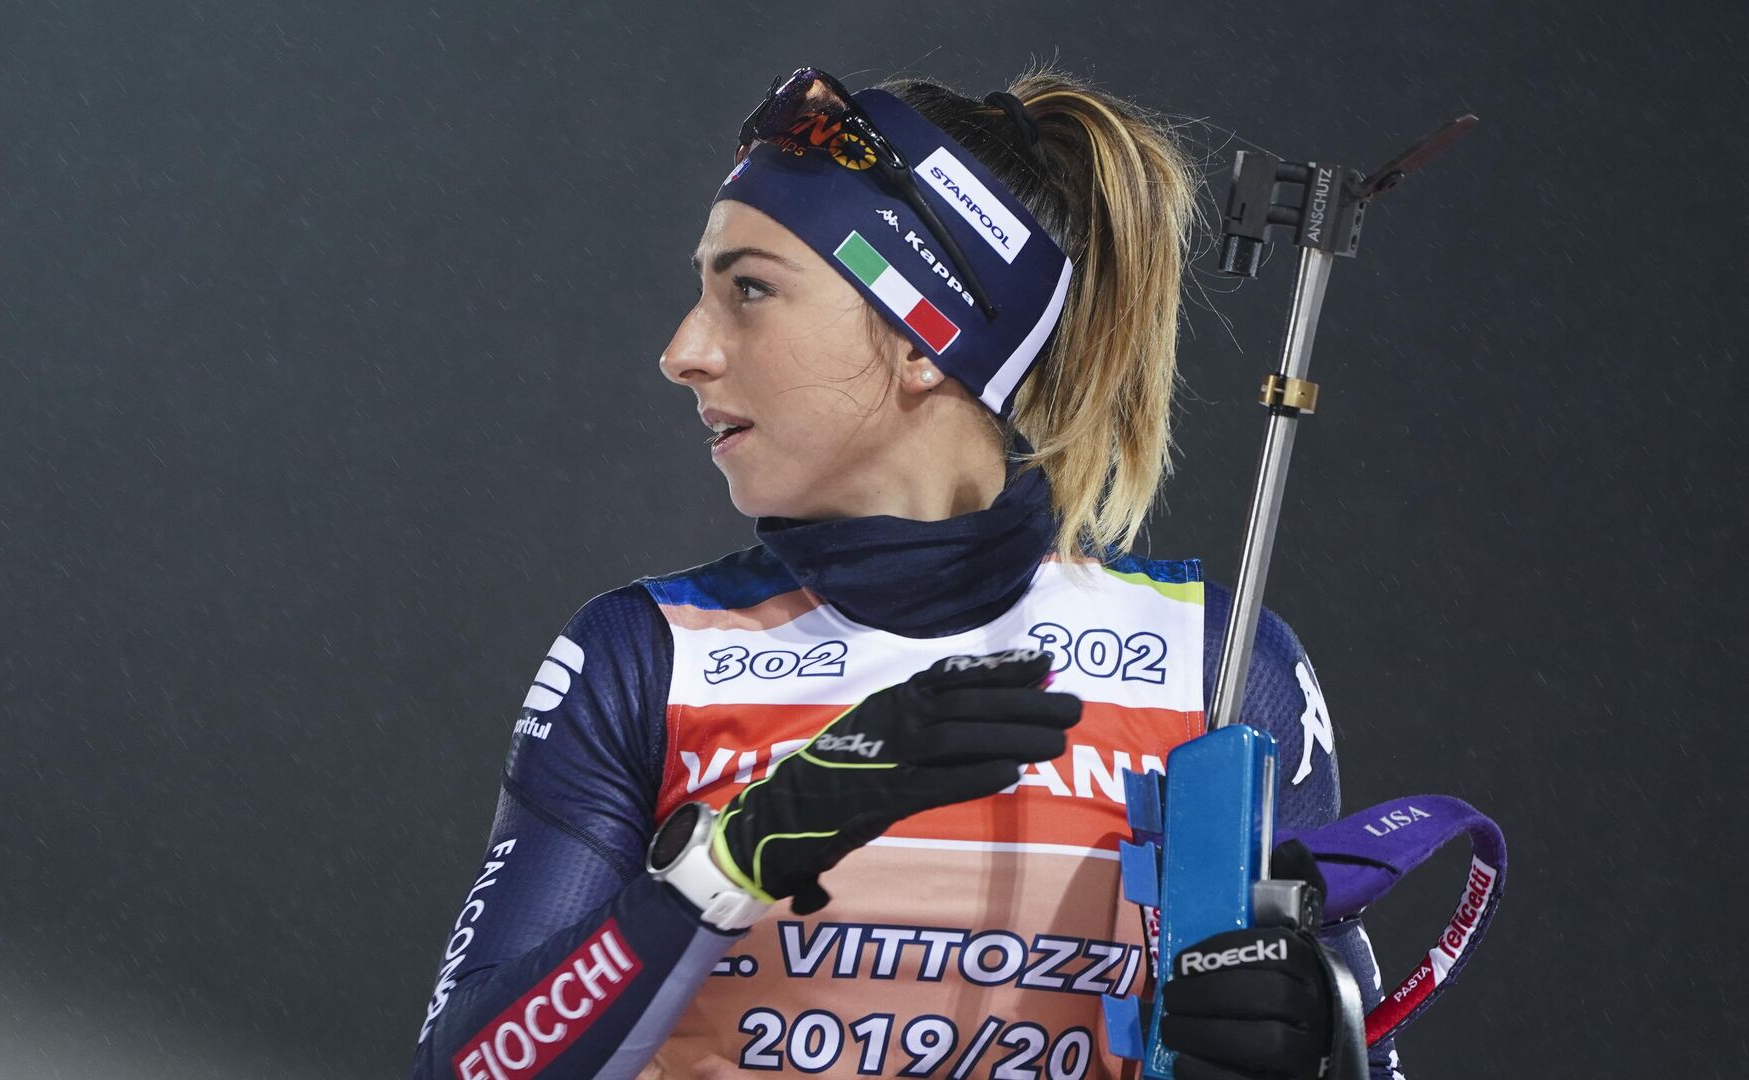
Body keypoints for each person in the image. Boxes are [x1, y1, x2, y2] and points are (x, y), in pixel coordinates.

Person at [410, 63, 1402, 1080]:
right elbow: (464, 1070)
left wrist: (1318, 1050)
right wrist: (725, 865)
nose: (683, 351)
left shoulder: (1216, 665)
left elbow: (1370, 1052)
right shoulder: (643, 657)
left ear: (926, 333)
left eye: (749, 290)